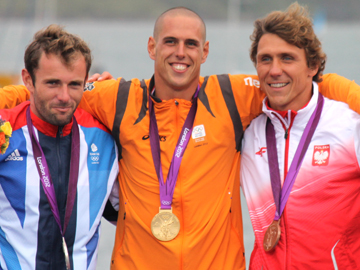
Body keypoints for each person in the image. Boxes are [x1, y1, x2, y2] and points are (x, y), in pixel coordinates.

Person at [1, 7, 360, 270]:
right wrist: (14, 94)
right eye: (170, 42)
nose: (180, 52)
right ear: (152, 47)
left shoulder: (233, 96)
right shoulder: (117, 97)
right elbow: (55, 90)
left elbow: (298, 84)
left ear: (204, 52)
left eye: (191, 44)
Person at [240, 3, 360, 269]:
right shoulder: (247, 134)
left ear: (313, 66)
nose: (274, 70)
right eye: (265, 59)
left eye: (287, 58)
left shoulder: (348, 125)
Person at [0, 25, 119, 269]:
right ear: (28, 81)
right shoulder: (6, 132)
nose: (64, 96)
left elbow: (132, 211)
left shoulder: (106, 136)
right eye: (53, 83)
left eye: (74, 84)